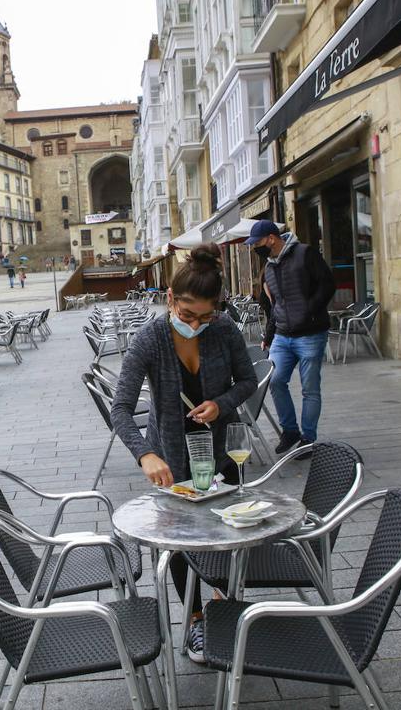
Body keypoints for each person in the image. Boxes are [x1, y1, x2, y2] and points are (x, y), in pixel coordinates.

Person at [111, 243, 257, 663]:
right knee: (178, 545)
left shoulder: (224, 328)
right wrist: (145, 455)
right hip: (171, 459)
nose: (196, 323)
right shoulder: (150, 338)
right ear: (171, 299)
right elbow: (120, 408)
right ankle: (195, 621)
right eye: (188, 314)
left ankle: (224, 608)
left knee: (226, 536)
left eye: (205, 316)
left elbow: (247, 380)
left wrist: (222, 404)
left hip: (222, 454)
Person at [246, 220, 335, 455]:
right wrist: (269, 334)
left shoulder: (305, 254)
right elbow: (276, 306)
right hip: (283, 336)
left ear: (271, 239)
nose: (255, 247)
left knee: (310, 389)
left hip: (310, 334)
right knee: (274, 381)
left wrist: (310, 311)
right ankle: (290, 430)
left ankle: (308, 438)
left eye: (257, 243)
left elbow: (327, 285)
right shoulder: (270, 267)